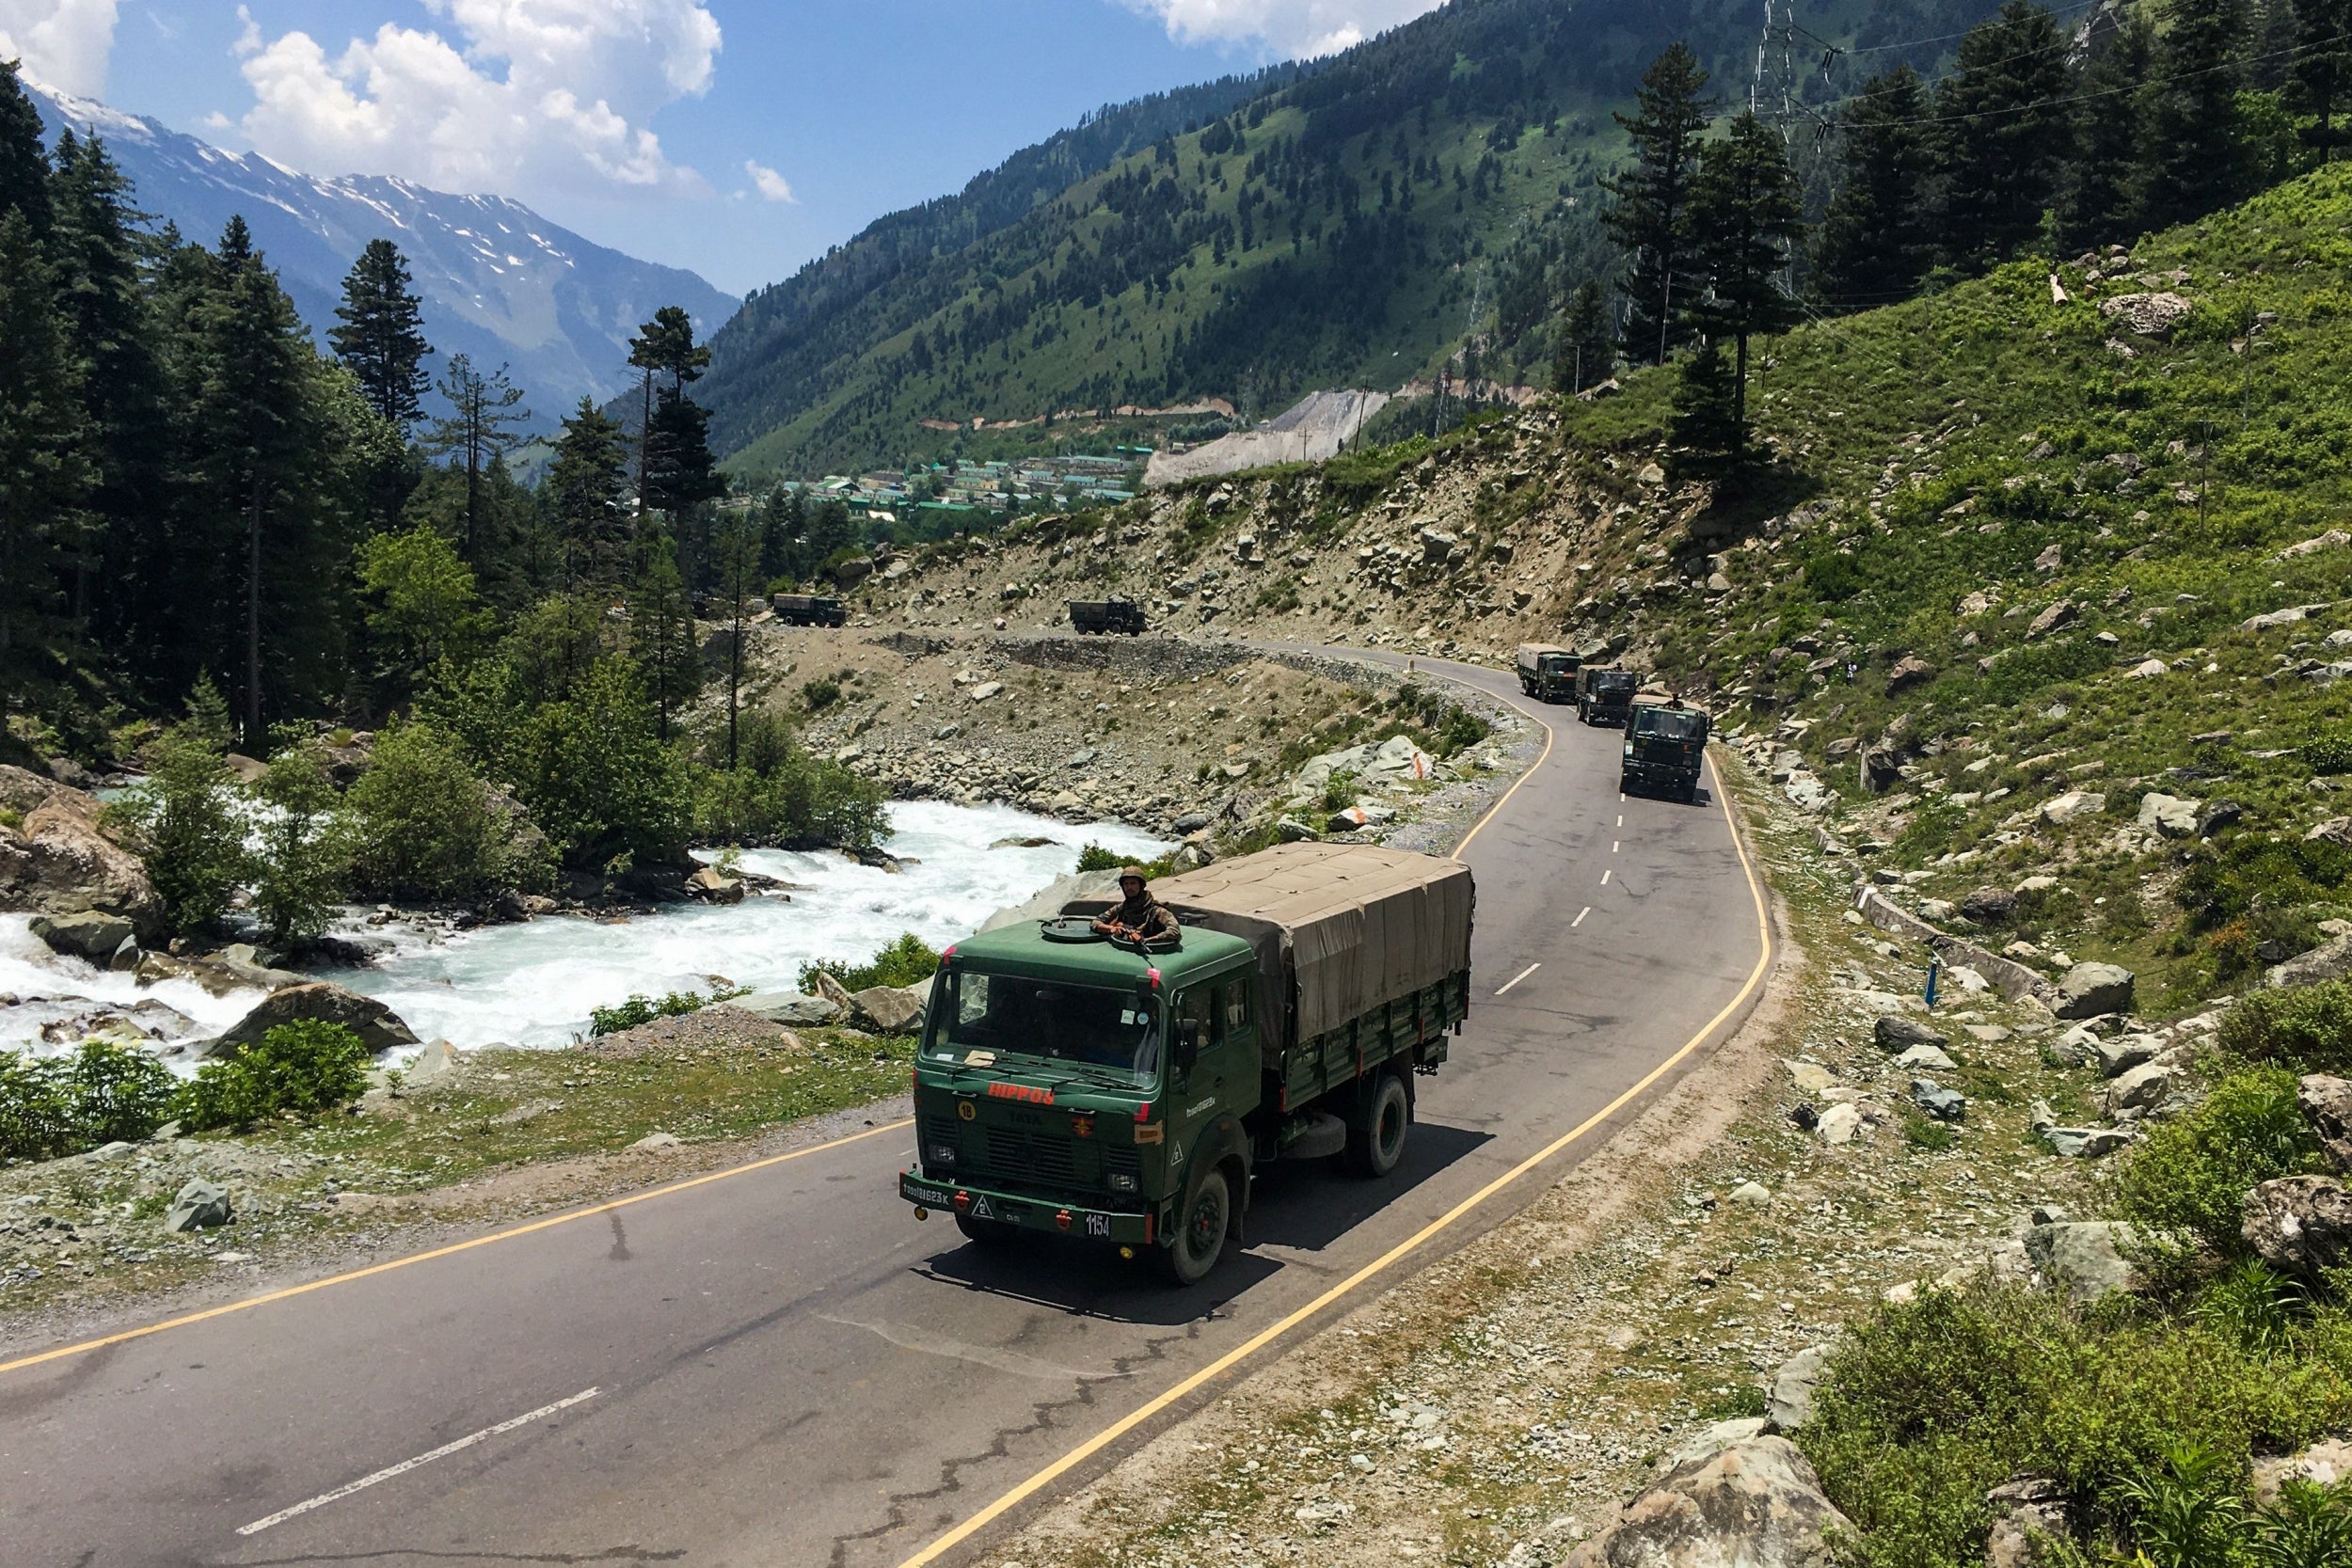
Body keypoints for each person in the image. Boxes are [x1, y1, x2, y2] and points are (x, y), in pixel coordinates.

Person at [1093, 866, 1178, 943]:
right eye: (1126, 884)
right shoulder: (1121, 908)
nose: (1129, 887)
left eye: (1133, 883)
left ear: (1141, 885)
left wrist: (1149, 940)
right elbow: (1095, 923)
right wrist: (1111, 929)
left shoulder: (1157, 910)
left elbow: (1174, 931)